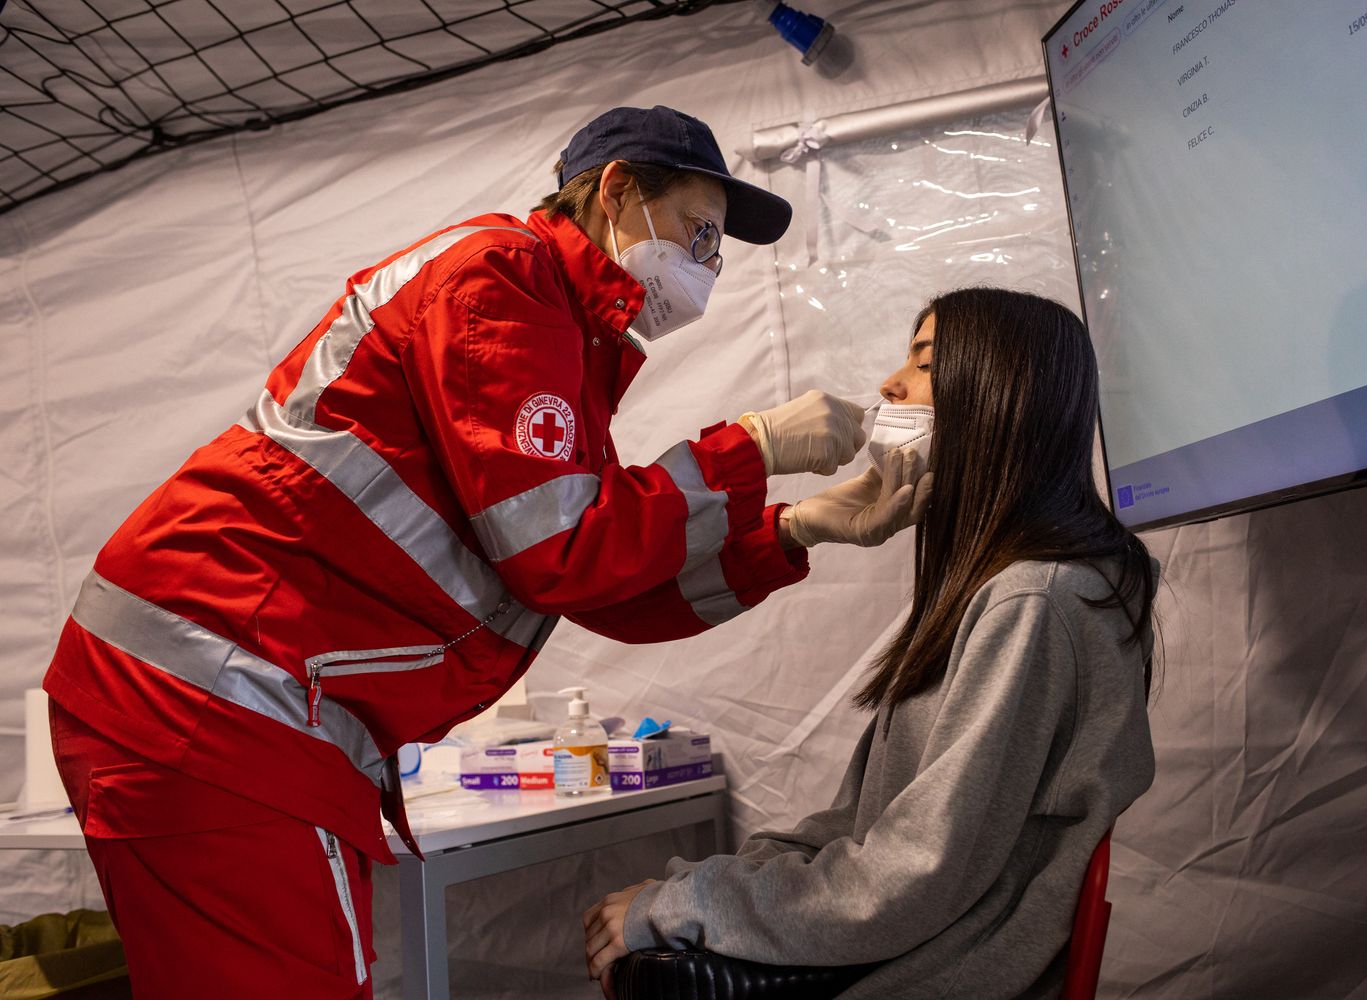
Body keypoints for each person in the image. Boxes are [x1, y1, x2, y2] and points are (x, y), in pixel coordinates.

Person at [43, 105, 931, 997]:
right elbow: (561, 556)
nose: (705, 267)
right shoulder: (500, 280)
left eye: (717, 251)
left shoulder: (566, 343)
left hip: (239, 700)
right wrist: (750, 446)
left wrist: (792, 529)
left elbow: (597, 579)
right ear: (617, 189)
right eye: (699, 232)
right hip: (215, 692)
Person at [584, 287, 1157, 999]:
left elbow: (910, 874)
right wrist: (708, 890)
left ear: (1001, 391)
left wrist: (685, 906)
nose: (890, 384)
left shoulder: (1033, 601)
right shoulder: (1004, 591)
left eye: (923, 361)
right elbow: (866, 825)